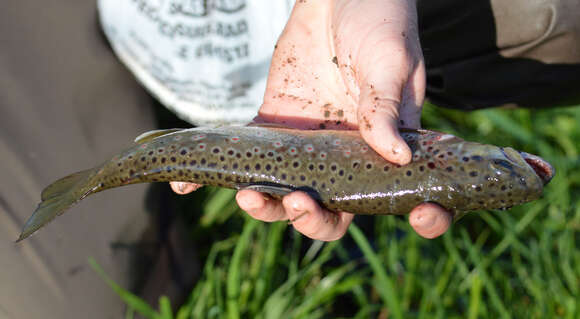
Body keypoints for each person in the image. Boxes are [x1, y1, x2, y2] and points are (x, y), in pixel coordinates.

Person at [2, 0, 579, 318]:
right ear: (440, 157)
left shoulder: (427, 163)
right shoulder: (432, 165)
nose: (508, 161)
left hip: (301, 55)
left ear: (445, 159)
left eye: (501, 171)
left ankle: (127, 161)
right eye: (504, 171)